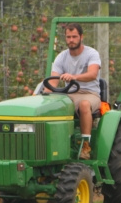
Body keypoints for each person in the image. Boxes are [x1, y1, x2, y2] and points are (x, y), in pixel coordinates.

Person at [38, 23, 101, 159]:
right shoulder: (62, 56)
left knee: (84, 104)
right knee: (52, 105)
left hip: (89, 94)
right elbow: (53, 82)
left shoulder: (92, 54)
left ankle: (85, 146)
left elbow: (92, 74)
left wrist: (74, 77)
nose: (71, 40)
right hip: (69, 95)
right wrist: (42, 98)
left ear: (81, 37)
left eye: (74, 37)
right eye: (68, 37)